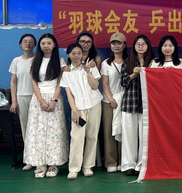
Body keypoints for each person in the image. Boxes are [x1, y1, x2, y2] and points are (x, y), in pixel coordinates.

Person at [23, 33, 68, 179]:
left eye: (49, 43)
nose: (46, 46)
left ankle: (53, 164)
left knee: (55, 132)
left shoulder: (60, 61)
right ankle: (40, 164)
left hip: (55, 98)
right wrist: (41, 101)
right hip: (38, 99)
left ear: (54, 45)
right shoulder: (35, 61)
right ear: (40, 46)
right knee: (38, 132)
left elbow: (60, 82)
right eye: (43, 43)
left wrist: (54, 100)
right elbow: (34, 82)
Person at [61, 43, 103, 180]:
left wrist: (89, 72)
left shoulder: (90, 66)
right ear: (68, 54)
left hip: (94, 104)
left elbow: (95, 86)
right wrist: (75, 111)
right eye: (73, 53)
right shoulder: (66, 72)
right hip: (78, 108)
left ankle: (88, 166)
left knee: (92, 136)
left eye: (79, 53)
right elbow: (69, 94)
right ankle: (74, 169)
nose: (77, 56)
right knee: (77, 137)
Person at [120, 35, 153, 176]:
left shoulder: (153, 63)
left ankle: (141, 164)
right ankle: (128, 165)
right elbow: (123, 82)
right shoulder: (127, 62)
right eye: (138, 44)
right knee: (129, 135)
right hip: (130, 103)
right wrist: (133, 74)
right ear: (133, 46)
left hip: (147, 105)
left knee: (144, 136)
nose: (140, 46)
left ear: (148, 46)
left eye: (143, 44)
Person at [8, 33, 36, 171]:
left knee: (37, 127)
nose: (28, 44)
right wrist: (14, 101)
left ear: (34, 44)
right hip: (21, 96)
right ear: (20, 44)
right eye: (25, 41)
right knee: (25, 128)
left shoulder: (38, 59)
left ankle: (40, 159)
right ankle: (29, 159)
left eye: (31, 42)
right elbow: (13, 82)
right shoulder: (16, 61)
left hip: (37, 97)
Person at [100, 32, 127, 173]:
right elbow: (104, 83)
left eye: (119, 43)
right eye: (113, 43)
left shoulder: (129, 61)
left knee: (124, 130)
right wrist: (111, 99)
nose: (116, 46)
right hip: (108, 101)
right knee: (109, 131)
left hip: (125, 101)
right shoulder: (106, 63)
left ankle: (123, 161)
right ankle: (111, 161)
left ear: (124, 45)